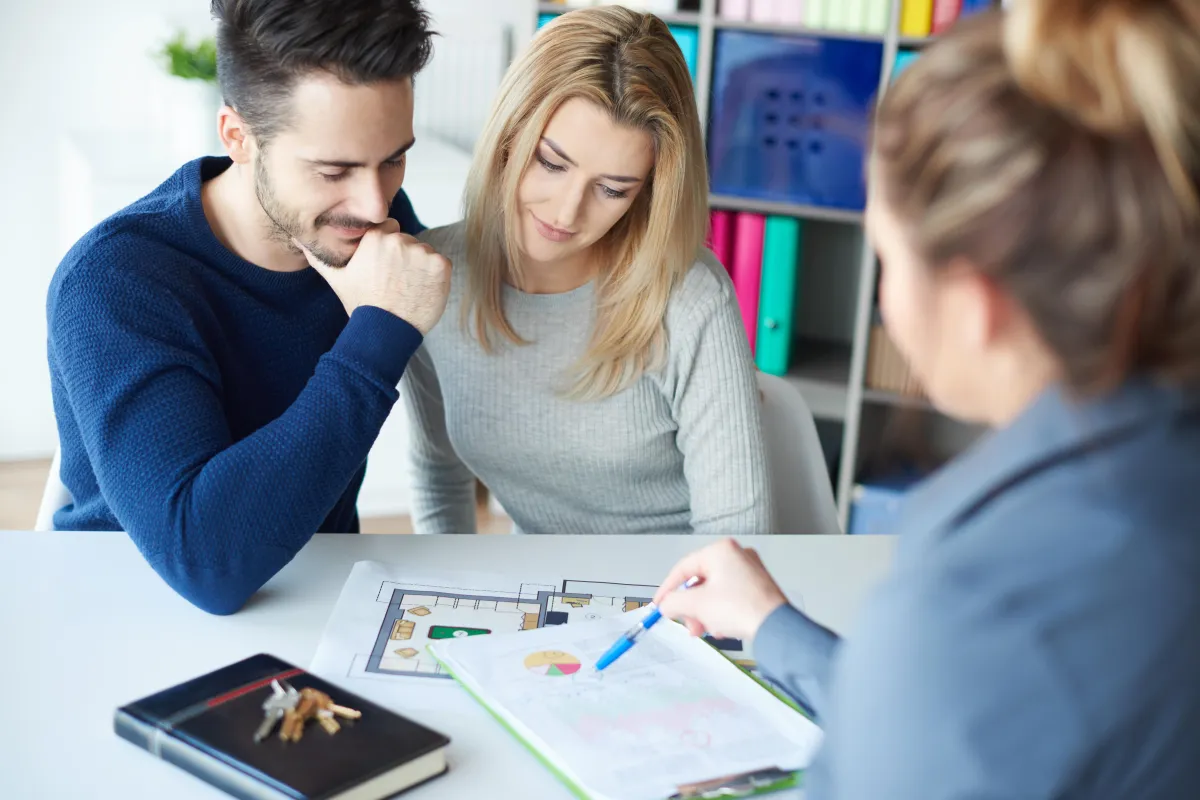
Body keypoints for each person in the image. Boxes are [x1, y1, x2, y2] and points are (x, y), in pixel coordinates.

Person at [654, 2, 1200, 797]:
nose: (882, 308)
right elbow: (980, 728)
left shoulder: (982, 599)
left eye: (886, 260)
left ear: (977, 302)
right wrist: (777, 628)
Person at [44, 0, 451, 615]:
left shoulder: (364, 230)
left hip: (319, 601)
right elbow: (204, 564)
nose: (375, 205)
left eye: (393, 157)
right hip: (131, 611)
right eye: (333, 169)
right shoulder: (117, 281)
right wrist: (378, 332)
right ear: (238, 137)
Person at [402, 6, 772, 535]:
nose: (567, 211)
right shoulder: (434, 279)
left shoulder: (690, 300)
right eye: (552, 163)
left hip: (680, 598)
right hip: (551, 595)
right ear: (510, 134)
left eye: (613, 189)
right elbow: (439, 475)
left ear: (648, 192)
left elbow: (737, 541)